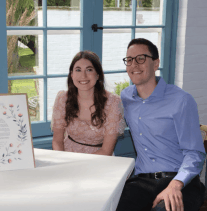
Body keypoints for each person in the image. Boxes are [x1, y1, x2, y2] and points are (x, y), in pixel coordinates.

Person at [117, 38, 206, 211]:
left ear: (156, 63)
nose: (134, 64)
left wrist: (176, 184)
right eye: (129, 60)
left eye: (141, 58)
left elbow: (195, 153)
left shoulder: (181, 100)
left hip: (180, 180)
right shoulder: (126, 97)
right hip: (142, 182)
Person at [51, 50, 126, 155]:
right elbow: (57, 141)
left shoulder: (113, 102)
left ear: (98, 75)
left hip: (100, 159)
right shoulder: (62, 98)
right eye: (78, 70)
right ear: (71, 75)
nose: (83, 76)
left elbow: (106, 151)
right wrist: (63, 161)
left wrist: (79, 166)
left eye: (89, 70)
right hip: (67, 157)